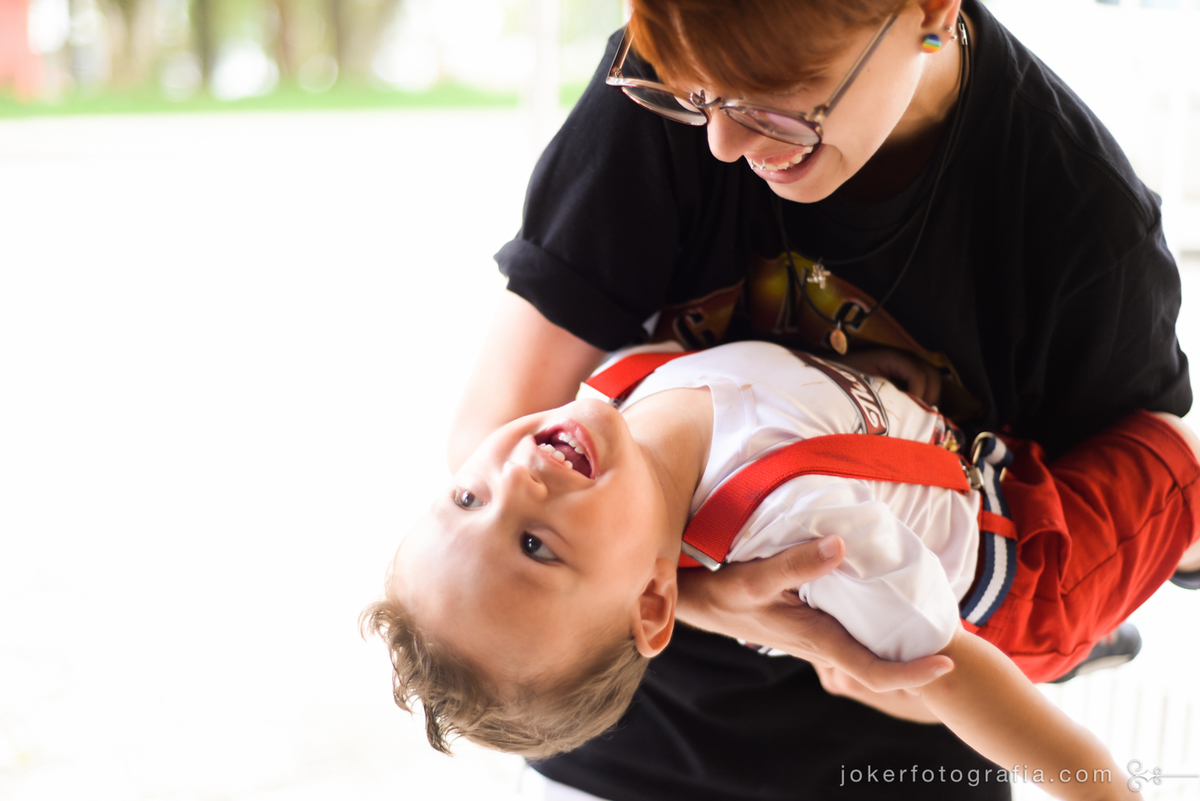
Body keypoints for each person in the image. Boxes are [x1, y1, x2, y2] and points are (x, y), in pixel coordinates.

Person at [447, 0, 1192, 798]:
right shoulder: (671, 65)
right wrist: (705, 598)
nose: (721, 142)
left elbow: (961, 666)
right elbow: (490, 426)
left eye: (772, 102)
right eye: (693, 92)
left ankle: (1080, 636)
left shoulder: (1080, 225)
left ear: (930, 13)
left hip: (896, 740)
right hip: (629, 736)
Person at [365, 342, 1200, 801]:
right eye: (536, 546)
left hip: (982, 468)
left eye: (467, 496)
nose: (517, 482)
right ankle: (1098, 624)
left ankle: (1112, 621)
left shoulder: (623, 383)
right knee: (1181, 463)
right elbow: (950, 671)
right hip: (1028, 573)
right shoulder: (798, 521)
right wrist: (1098, 789)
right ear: (657, 596)